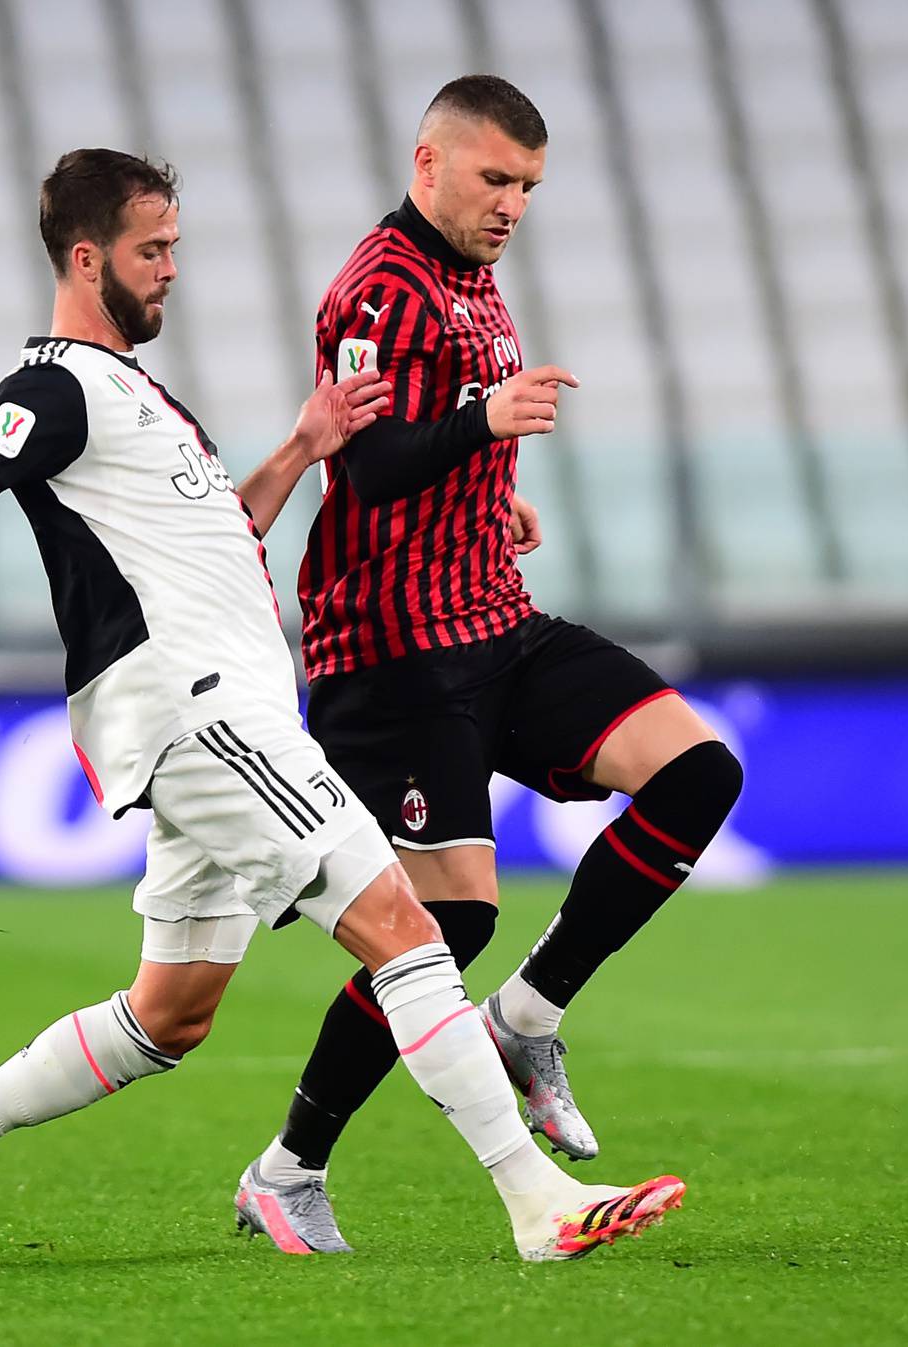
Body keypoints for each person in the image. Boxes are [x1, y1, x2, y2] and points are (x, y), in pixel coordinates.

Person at [0, 147, 684, 1266]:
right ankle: (540, 1206)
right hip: (197, 714)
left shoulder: (142, 400)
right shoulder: (54, 388)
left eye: (177, 251)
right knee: (404, 926)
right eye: (153, 252)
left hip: (219, 711)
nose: (171, 272)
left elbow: (222, 543)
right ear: (88, 257)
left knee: (170, 1016)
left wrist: (301, 447)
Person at [232, 77, 743, 1254]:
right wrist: (484, 428)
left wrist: (492, 495)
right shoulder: (380, 286)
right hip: (393, 653)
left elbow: (437, 431)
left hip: (494, 620)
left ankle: (530, 1012)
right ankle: (288, 1168)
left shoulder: (472, 278)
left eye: (528, 187)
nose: (513, 204)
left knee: (698, 770)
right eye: (495, 179)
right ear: (429, 163)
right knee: (443, 926)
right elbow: (365, 464)